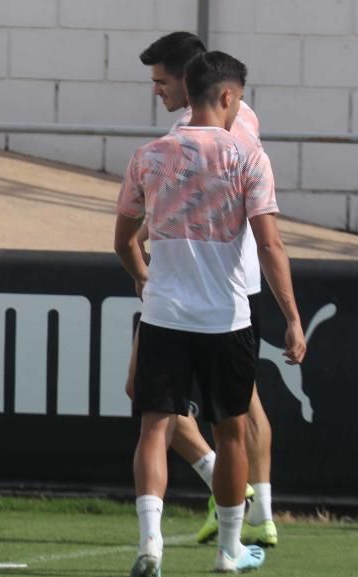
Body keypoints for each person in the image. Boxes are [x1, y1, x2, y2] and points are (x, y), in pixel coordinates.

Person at [115, 52, 306, 576]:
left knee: (153, 428)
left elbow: (124, 240)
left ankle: (150, 545)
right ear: (226, 96)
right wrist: (292, 317)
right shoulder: (248, 157)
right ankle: (229, 550)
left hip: (164, 315)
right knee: (229, 431)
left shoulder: (150, 155)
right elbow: (270, 247)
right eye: (238, 98)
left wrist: (145, 276)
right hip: (226, 317)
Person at [132, 31, 278, 547]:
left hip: (201, 287)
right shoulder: (244, 115)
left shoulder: (188, 131)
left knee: (153, 404)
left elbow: (165, 212)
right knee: (242, 408)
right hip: (231, 291)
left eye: (162, 81)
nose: (158, 90)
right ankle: (258, 512)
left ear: (191, 77)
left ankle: (225, 487)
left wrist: (140, 255)